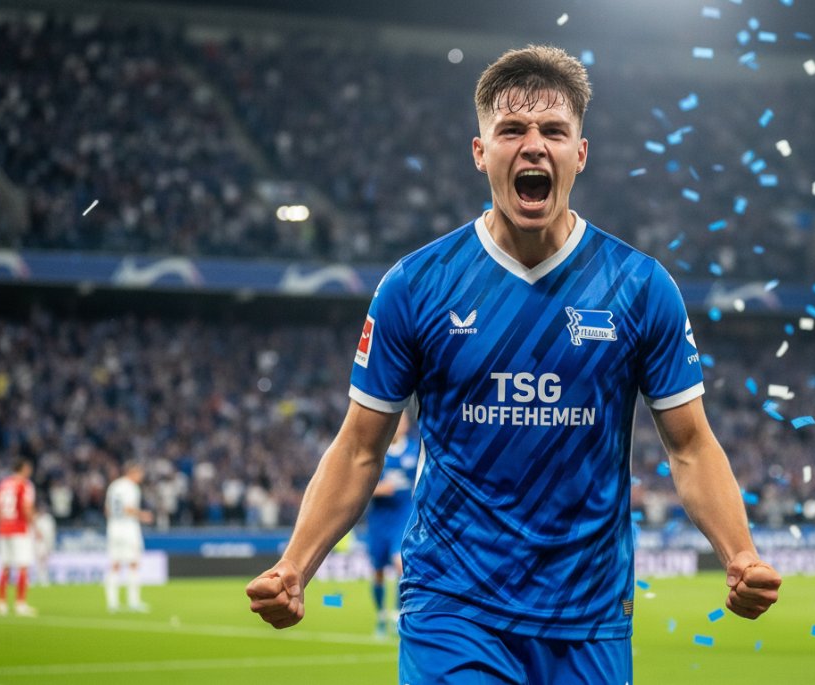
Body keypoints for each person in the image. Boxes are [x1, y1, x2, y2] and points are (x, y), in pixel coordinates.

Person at [246, 45, 781, 683]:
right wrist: (295, 565)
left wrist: (740, 554)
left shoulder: (640, 287)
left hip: (588, 614)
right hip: (452, 605)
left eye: (554, 130)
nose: (534, 146)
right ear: (481, 152)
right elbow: (361, 447)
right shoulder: (415, 286)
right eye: (511, 130)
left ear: (580, 153)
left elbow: (690, 445)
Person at [366, 411, 419, 637]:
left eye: (403, 421)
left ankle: (398, 614)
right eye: (397, 421)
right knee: (378, 571)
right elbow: (361, 486)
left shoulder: (415, 450)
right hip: (379, 519)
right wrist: (379, 489)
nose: (400, 425)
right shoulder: (376, 450)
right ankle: (380, 616)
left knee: (400, 563)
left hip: (403, 516)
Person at [105, 461, 153, 613]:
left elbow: (107, 510)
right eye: (140, 473)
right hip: (128, 528)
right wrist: (143, 515)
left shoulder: (114, 486)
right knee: (133, 564)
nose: (141, 477)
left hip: (113, 527)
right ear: (132, 472)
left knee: (115, 564)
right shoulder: (131, 487)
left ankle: (112, 603)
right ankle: (133, 602)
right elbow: (128, 508)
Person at [0, 459, 38, 617]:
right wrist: (35, 526)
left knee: (5, 566)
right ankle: (20, 604)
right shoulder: (25, 484)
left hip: (3, 528)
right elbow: (26, 507)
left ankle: (1, 604)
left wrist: (0, 525)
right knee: (23, 566)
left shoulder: (3, 484)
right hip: (19, 528)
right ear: (23, 468)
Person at [33, 500, 57, 587]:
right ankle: (39, 579)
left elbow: (52, 530)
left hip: (48, 542)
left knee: (45, 562)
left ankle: (44, 579)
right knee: (39, 561)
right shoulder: (36, 518)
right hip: (39, 543)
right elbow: (34, 531)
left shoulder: (49, 519)